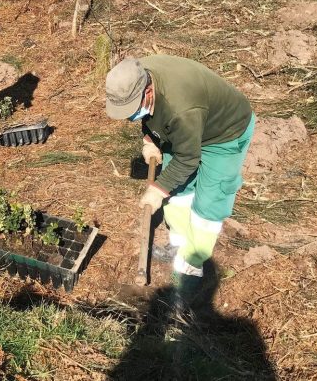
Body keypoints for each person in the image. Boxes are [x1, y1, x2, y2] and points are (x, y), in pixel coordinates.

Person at [105, 56, 256, 308]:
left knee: (209, 200)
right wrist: (149, 139)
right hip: (189, 127)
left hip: (224, 133)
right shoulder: (137, 74)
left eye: (133, 109)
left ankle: (193, 264)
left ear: (148, 91)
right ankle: (179, 245)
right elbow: (150, 115)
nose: (130, 116)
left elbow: (187, 159)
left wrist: (157, 190)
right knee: (177, 188)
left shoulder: (181, 108)